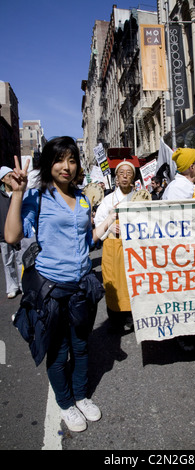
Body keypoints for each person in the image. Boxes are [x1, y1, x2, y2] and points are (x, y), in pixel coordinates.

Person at [4, 137, 116, 433]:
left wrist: (105, 226)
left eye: (72, 160)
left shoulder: (81, 198)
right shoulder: (37, 197)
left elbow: (86, 240)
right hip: (51, 290)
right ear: (48, 164)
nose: (66, 167)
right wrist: (17, 194)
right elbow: (13, 236)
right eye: (59, 160)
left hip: (80, 287)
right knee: (58, 349)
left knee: (81, 347)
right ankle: (65, 403)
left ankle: (80, 395)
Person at [162, 148, 195, 351]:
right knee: (184, 295)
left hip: (193, 249)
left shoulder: (191, 185)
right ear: (190, 167)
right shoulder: (177, 188)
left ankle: (194, 330)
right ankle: (183, 334)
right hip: (181, 252)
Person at [94, 160, 136, 333]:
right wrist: (109, 226)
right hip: (113, 247)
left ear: (133, 176)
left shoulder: (140, 196)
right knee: (114, 282)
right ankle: (114, 317)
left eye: (128, 173)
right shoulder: (108, 200)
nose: (125, 176)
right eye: (121, 173)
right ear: (116, 178)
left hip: (134, 247)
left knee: (132, 282)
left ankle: (132, 316)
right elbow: (98, 222)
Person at [0, 166, 23, 298]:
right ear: (3, 179)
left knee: (20, 261)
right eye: (9, 176)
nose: (11, 178)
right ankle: (12, 287)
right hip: (3, 235)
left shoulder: (17, 193)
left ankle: (22, 284)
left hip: (19, 234)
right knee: (8, 262)